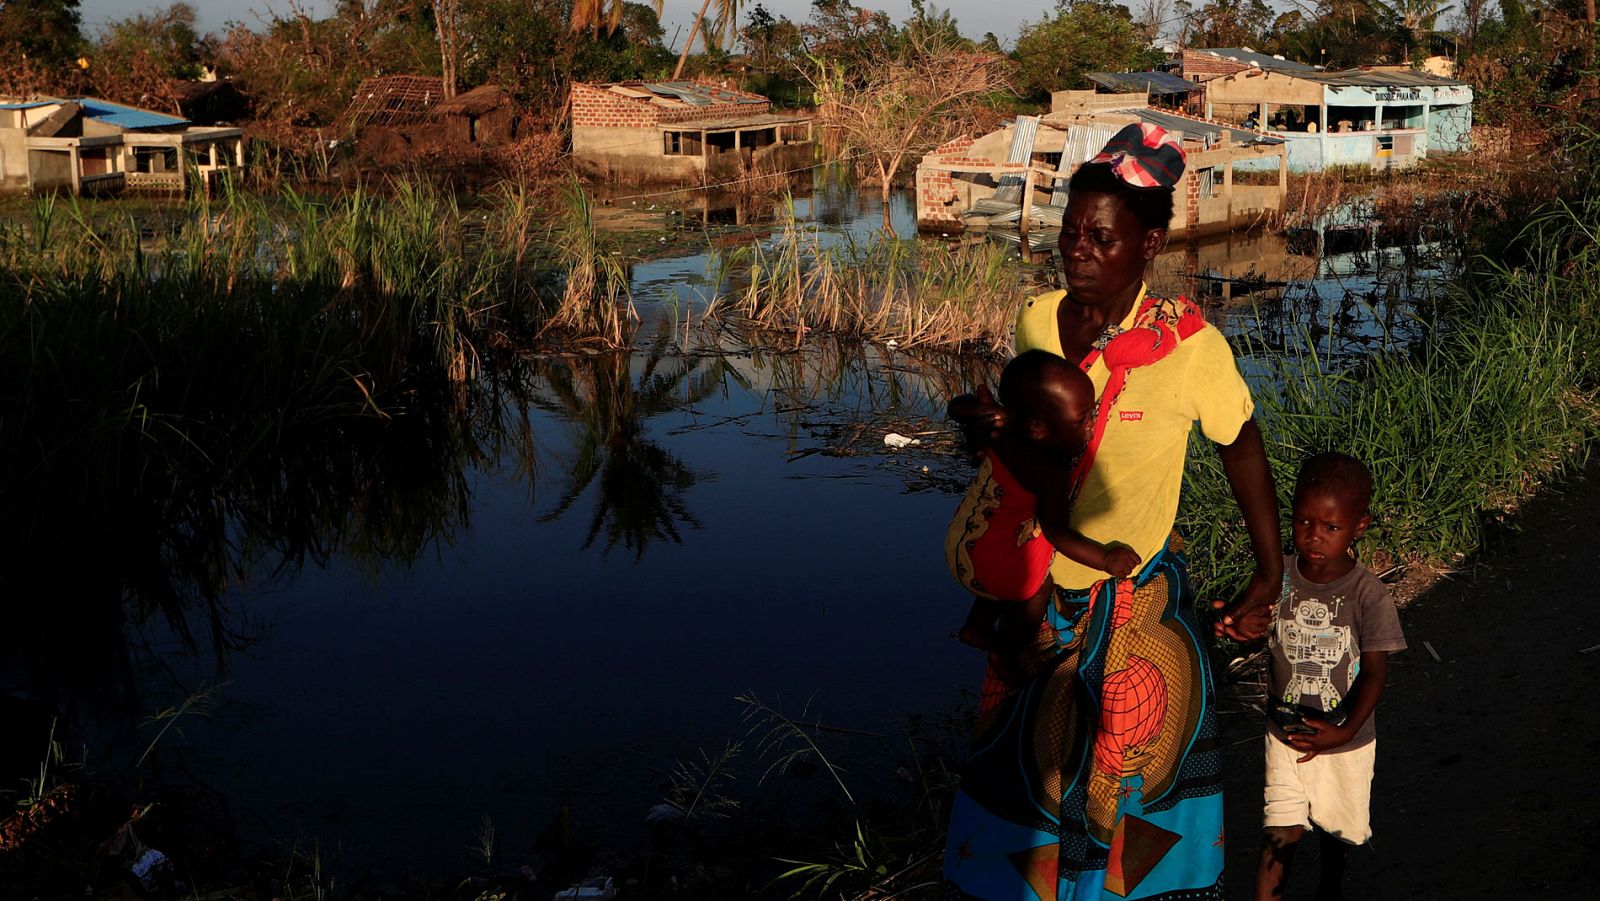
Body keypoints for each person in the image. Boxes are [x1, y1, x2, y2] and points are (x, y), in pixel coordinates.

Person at [942, 122, 1282, 900]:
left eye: (1101, 235)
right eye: (1070, 232)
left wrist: (1270, 569)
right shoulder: (1037, 320)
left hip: (1131, 610)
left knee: (1128, 805)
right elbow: (1029, 441)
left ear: (1151, 243)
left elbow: (1242, 445)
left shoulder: (1188, 349)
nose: (1079, 249)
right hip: (1035, 601)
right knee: (1020, 798)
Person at [1253, 452, 1405, 901]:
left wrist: (1341, 733)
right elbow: (1252, 626)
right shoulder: (1276, 576)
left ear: (1359, 526)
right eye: (1303, 523)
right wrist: (1237, 623)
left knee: (1337, 831)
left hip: (1346, 742)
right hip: (1284, 734)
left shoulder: (1368, 595)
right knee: (1278, 835)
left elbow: (1375, 674)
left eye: (1331, 528)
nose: (1314, 537)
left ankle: (1330, 888)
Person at [945, 351, 1141, 687]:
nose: (1091, 426)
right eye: (1082, 421)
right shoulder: (1046, 472)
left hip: (962, 547)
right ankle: (1005, 652)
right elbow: (1057, 533)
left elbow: (956, 407)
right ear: (1037, 427)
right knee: (1035, 588)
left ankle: (976, 627)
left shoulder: (1003, 433)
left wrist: (983, 409)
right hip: (988, 561)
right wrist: (1105, 558)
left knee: (1005, 548)